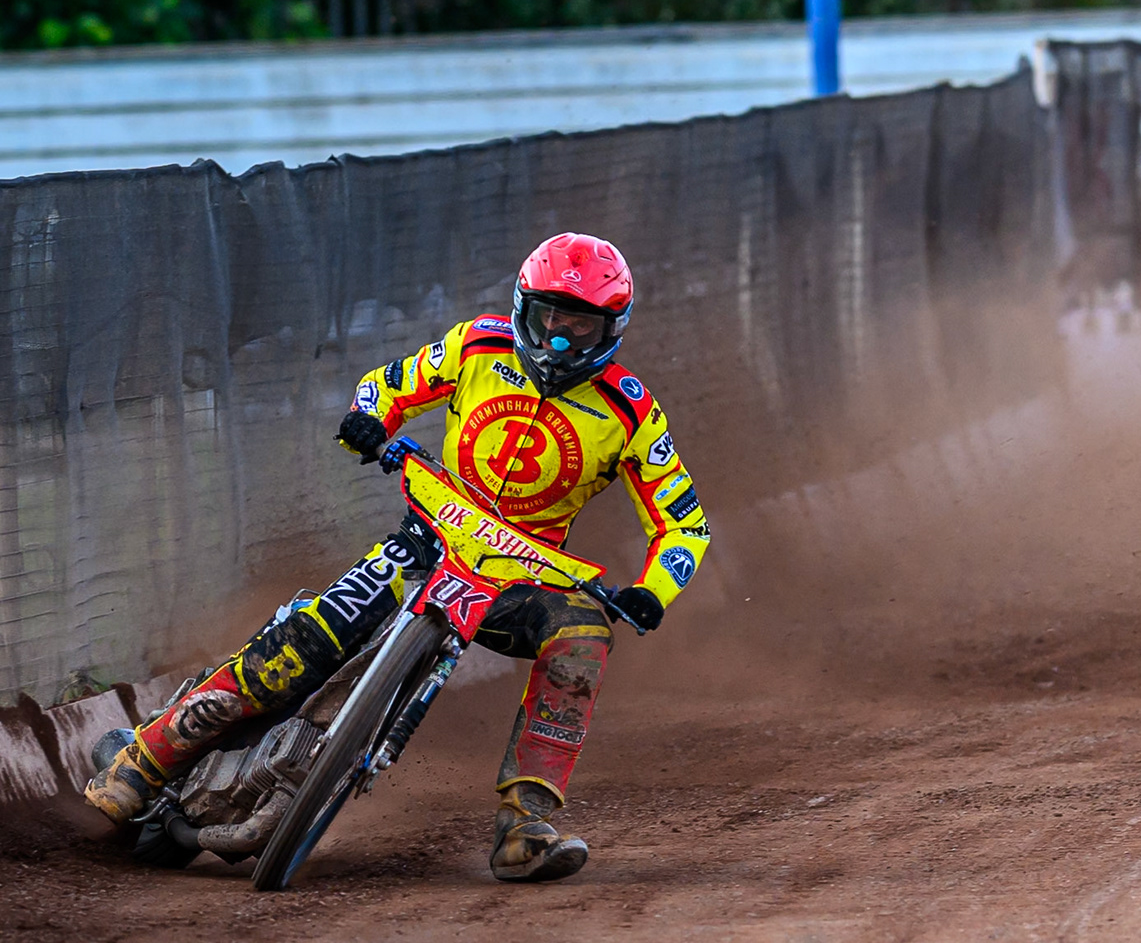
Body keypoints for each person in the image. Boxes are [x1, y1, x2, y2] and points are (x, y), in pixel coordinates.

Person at [85, 233, 710, 882]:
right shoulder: (478, 344)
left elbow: (685, 526)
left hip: (520, 576)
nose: (557, 336)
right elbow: (390, 385)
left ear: (611, 329)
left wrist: (652, 592)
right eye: (548, 315)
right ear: (524, 307)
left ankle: (526, 822)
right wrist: (369, 418)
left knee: (583, 634)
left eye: (578, 323)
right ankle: (142, 761)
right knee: (306, 640)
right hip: (425, 540)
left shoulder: (631, 412)